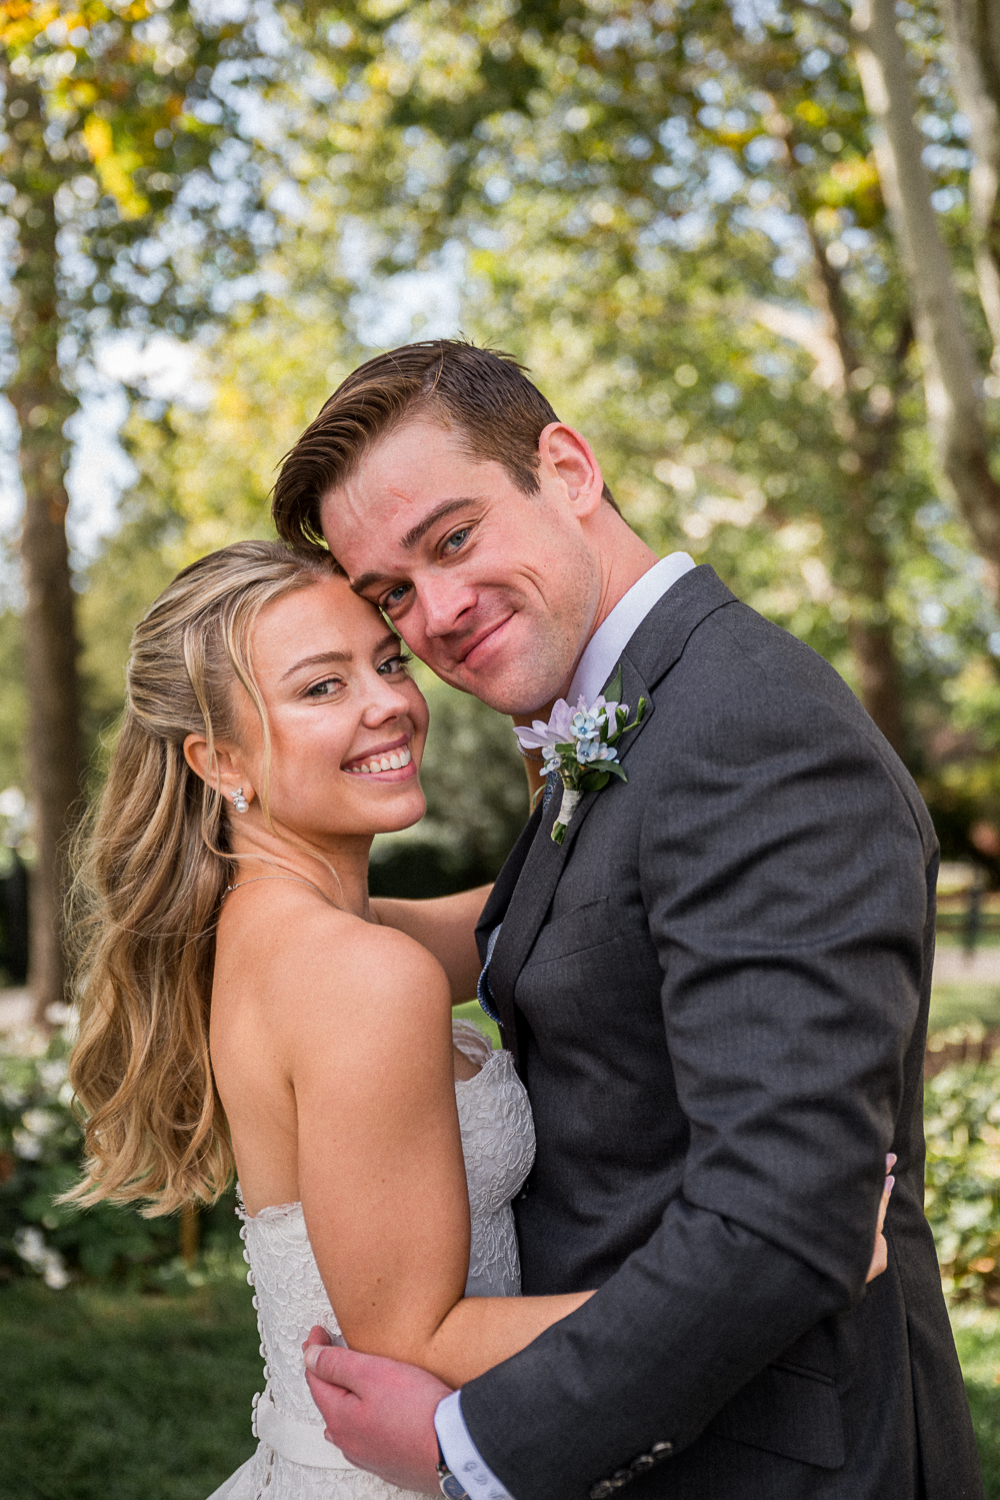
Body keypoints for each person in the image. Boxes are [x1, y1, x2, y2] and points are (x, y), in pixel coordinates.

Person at [270, 340, 983, 1500]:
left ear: (567, 468)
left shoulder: (746, 728)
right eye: (391, 593)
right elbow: (530, 936)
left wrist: (474, 1448)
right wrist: (250, 914)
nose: (436, 613)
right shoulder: (622, 717)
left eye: (451, 539)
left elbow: (784, 1220)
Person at [63, 539, 622, 1499]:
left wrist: (574, 754)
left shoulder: (274, 930)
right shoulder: (358, 974)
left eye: (389, 660)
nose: (390, 703)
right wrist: (748, 1278)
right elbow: (416, 1341)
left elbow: (517, 915)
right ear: (220, 759)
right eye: (323, 687)